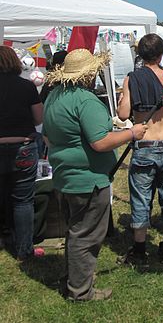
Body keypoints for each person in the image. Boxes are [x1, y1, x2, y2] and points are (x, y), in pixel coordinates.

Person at [42, 48, 147, 302]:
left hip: (65, 176)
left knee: (75, 230)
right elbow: (100, 142)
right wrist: (132, 133)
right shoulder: (86, 101)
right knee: (86, 235)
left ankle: (74, 278)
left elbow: (46, 136)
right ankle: (80, 290)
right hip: (88, 179)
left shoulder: (54, 96)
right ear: (89, 74)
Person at [118, 33, 163, 265]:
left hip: (144, 145)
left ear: (139, 54)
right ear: (161, 54)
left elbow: (123, 114)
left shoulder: (132, 78)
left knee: (141, 199)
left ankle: (140, 250)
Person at [0, 45, 43, 260]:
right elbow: (38, 119)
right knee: (23, 200)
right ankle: (24, 249)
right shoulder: (26, 87)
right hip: (23, 146)